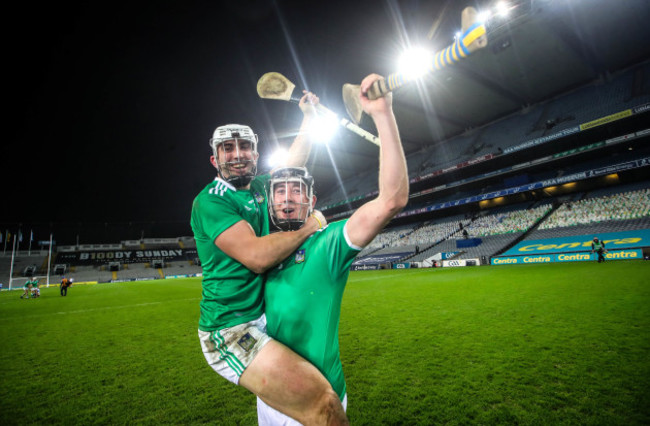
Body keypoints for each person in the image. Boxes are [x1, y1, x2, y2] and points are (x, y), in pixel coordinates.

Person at [259, 73, 409, 425]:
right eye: (279, 192)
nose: (286, 198)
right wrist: (308, 120)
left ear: (311, 201)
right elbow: (284, 170)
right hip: (268, 397)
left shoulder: (328, 244)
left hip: (318, 400)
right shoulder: (261, 242)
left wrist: (382, 115)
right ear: (269, 201)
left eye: (296, 191)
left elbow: (391, 200)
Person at [191, 91, 349, 425]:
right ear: (214, 160)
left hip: (261, 318)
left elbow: (295, 161)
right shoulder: (212, 201)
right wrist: (310, 226)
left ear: (256, 153)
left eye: (245, 146)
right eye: (227, 148)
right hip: (231, 331)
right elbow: (257, 257)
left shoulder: (260, 187)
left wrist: (307, 115)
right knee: (324, 405)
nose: (237, 155)